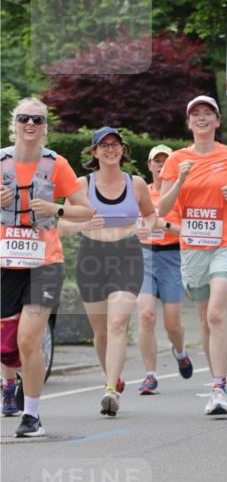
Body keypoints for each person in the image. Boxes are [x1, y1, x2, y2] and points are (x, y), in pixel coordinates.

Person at [1, 97, 92, 436]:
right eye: (24, 118)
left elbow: (85, 211)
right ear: (14, 124)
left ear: (44, 128)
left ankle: (32, 415)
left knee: (28, 340)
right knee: (7, 345)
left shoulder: (56, 165)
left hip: (45, 263)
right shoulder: (0, 162)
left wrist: (57, 208)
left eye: (37, 120)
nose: (30, 124)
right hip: (6, 262)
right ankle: (9, 379)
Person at [158, 96, 227, 416]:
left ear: (217, 121)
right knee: (203, 317)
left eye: (207, 114)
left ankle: (218, 385)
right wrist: (182, 178)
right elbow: (162, 208)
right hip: (192, 246)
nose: (201, 118)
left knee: (215, 313)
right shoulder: (176, 160)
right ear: (188, 123)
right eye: (195, 114)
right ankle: (220, 382)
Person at [63, 128, 155, 416]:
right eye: (104, 145)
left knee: (117, 323)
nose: (110, 149)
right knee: (100, 331)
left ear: (123, 149)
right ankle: (113, 377)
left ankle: (110, 391)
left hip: (127, 254)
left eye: (115, 144)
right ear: (94, 152)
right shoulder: (81, 184)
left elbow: (151, 215)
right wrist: (82, 226)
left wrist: (146, 227)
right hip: (91, 256)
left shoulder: (136, 183)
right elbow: (61, 222)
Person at [136, 145, 192, 395]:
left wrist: (164, 224)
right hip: (145, 256)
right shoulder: (140, 193)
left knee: (172, 325)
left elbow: (188, 232)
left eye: (165, 161)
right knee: (146, 315)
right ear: (149, 166)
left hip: (172, 257)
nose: (160, 165)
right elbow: (129, 223)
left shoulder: (179, 195)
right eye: (155, 161)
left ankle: (180, 352)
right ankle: (150, 375)